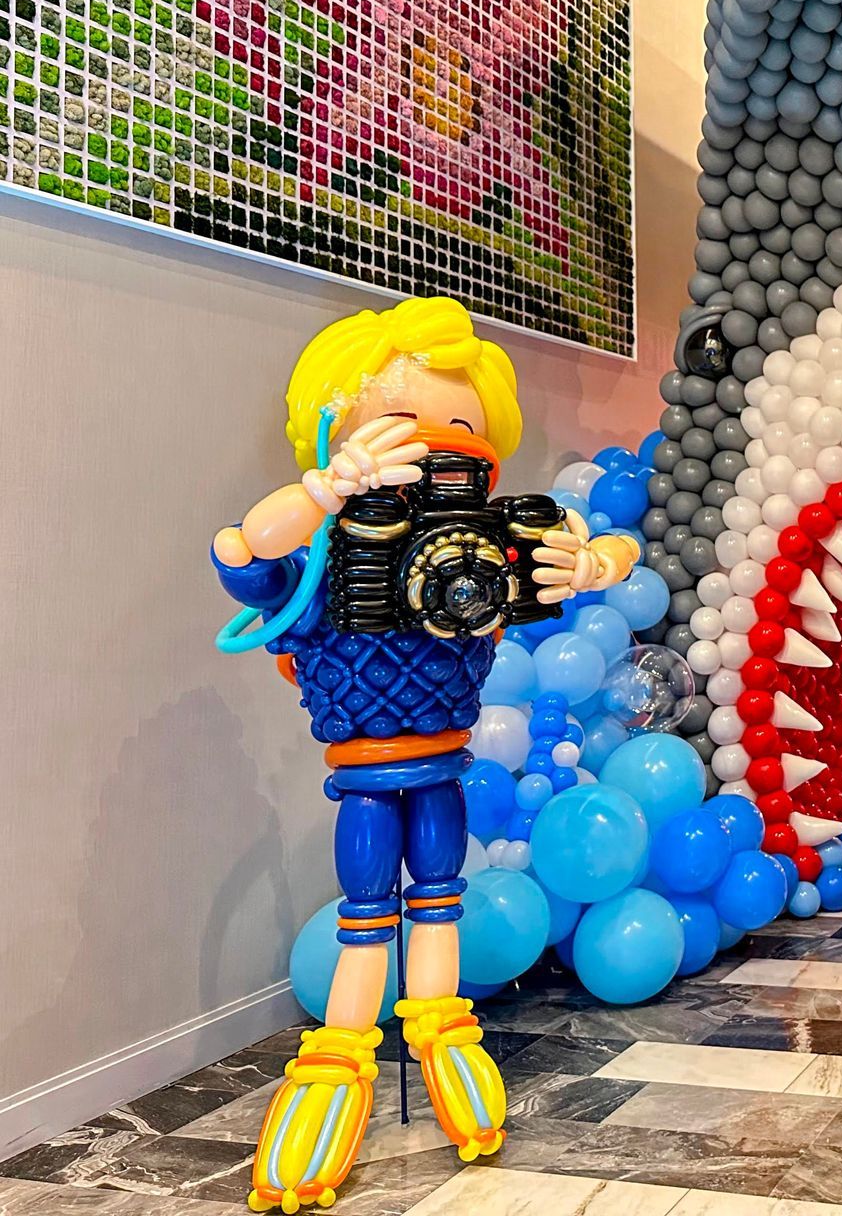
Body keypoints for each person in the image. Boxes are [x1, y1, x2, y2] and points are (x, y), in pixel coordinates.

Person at [212, 297, 637, 1213]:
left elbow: (607, 544)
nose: (441, 457)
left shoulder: (481, 542)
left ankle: (443, 1031)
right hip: (364, 768)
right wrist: (331, 492)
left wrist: (592, 563)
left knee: (438, 897)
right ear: (336, 427)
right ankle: (337, 1062)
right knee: (371, 910)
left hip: (443, 759)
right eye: (411, 432)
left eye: (462, 436)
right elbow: (242, 550)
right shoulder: (327, 549)